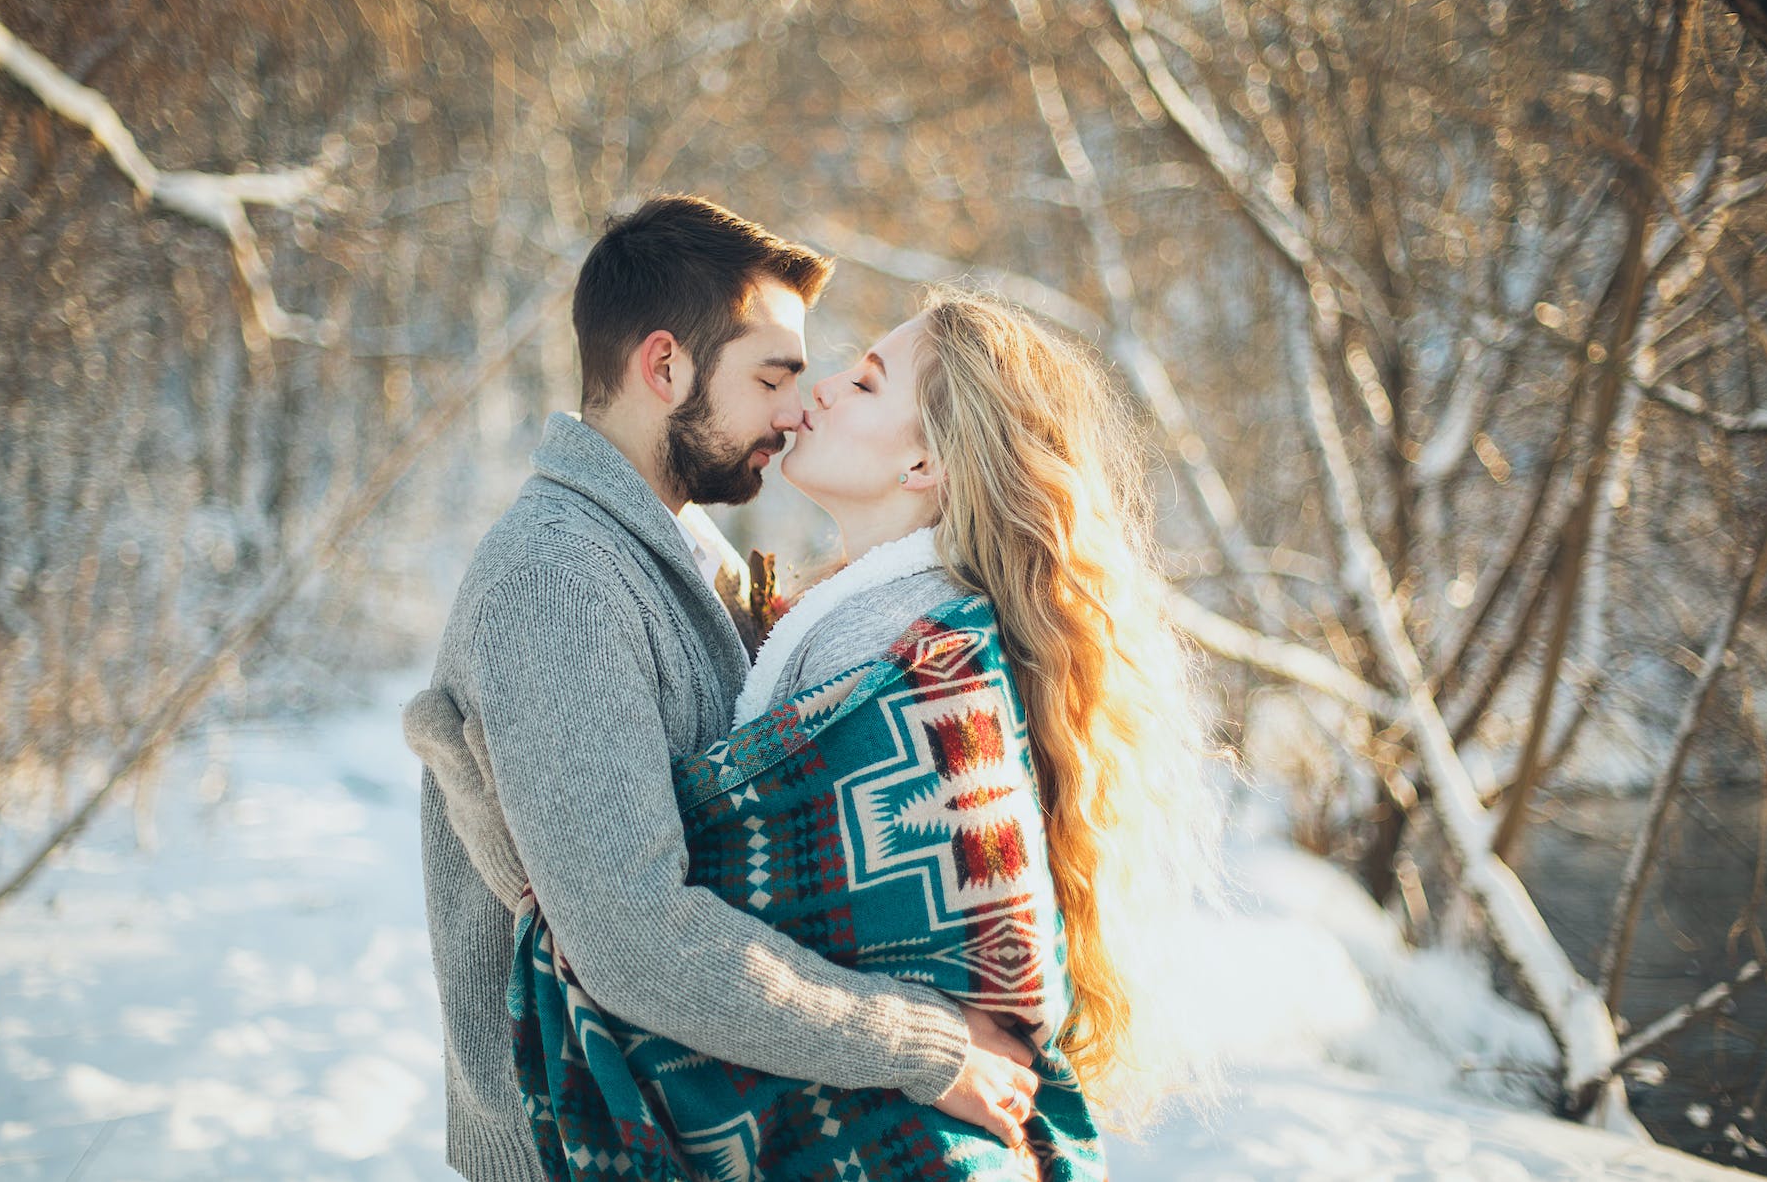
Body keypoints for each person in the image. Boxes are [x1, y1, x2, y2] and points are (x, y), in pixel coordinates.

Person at [414, 287, 1224, 1178]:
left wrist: (488, 806)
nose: (818, 393)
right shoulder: (851, 613)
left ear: (924, 464)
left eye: (867, 384)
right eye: (787, 372)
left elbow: (653, 926)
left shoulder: (894, 658)